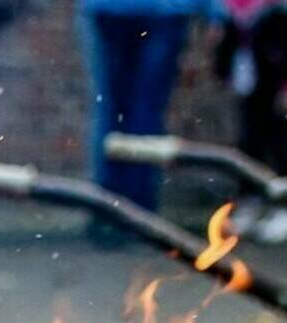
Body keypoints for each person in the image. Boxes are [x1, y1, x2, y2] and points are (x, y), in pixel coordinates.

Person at [80, 0, 211, 223]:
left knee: (112, 110)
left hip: (112, 9)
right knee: (146, 110)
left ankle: (109, 207)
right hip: (163, 10)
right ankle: (137, 210)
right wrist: (212, 10)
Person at [214, 0, 287, 243]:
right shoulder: (239, 11)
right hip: (252, 75)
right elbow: (233, 32)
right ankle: (251, 200)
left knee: (283, 143)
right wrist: (225, 65)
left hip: (279, 77)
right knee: (251, 140)